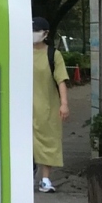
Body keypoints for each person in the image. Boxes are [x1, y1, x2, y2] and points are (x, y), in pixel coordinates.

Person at [32, 16, 69, 192]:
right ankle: (27, 176)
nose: (32, 34)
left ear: (45, 33)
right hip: (23, 107)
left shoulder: (53, 55)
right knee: (24, 142)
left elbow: (61, 80)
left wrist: (64, 104)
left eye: (36, 31)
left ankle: (45, 179)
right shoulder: (18, 52)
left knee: (49, 141)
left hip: (47, 106)